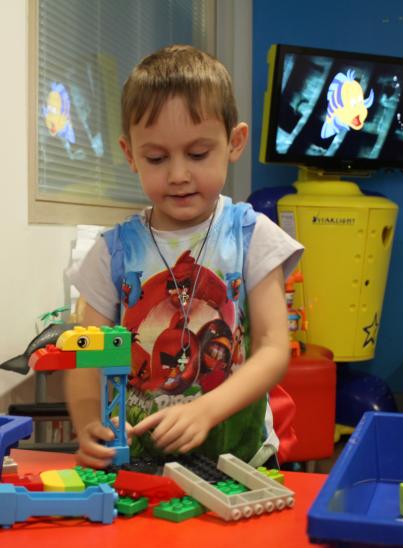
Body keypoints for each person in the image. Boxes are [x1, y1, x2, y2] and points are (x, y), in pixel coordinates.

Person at [66, 44, 303, 470]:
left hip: (240, 463)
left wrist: (206, 410)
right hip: (139, 465)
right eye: (156, 158)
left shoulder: (252, 236)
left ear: (235, 142)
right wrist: (86, 424)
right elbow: (89, 354)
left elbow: (272, 348)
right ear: (130, 154)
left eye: (197, 154)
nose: (178, 175)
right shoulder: (111, 253)